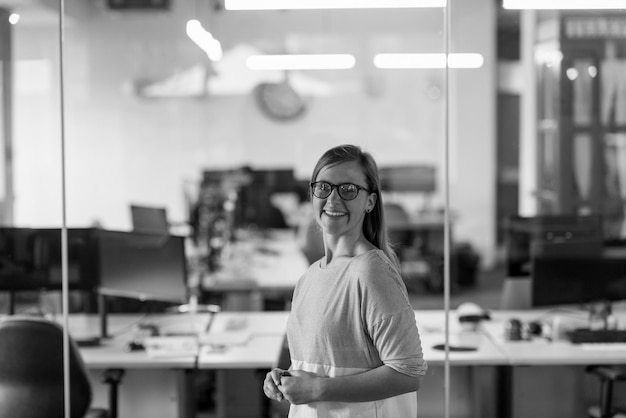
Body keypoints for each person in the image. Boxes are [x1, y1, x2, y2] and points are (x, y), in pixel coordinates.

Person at [263, 144, 427, 417]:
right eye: (324, 187)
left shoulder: (371, 272)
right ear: (312, 194)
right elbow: (324, 363)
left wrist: (317, 389)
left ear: (370, 202)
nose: (333, 200)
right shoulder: (310, 276)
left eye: (348, 190)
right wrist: (287, 378)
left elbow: (408, 373)